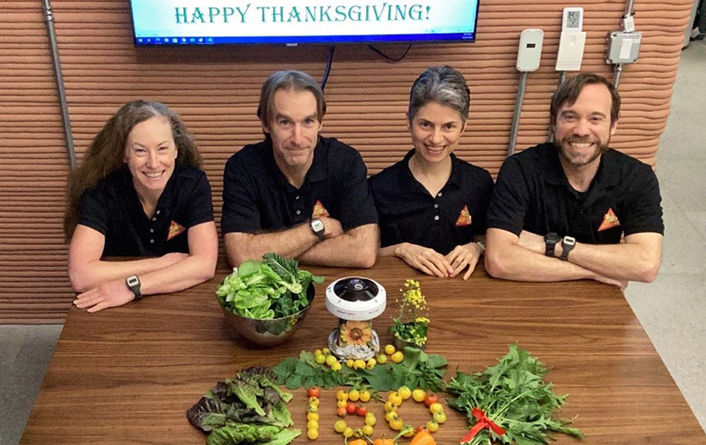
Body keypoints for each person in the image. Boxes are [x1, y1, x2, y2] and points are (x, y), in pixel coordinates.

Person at [485, 73, 663, 287]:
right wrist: (591, 273)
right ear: (554, 122)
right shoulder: (520, 169)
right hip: (525, 292)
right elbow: (500, 260)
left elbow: (646, 265)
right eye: (570, 117)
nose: (581, 130)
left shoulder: (638, 178)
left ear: (613, 125)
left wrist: (554, 245)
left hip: (598, 302)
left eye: (595, 119)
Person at [63, 100, 218, 312]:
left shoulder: (193, 184)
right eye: (140, 151)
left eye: (162, 148)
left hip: (178, 298)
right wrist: (162, 263)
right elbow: (80, 275)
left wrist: (132, 286)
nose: (153, 163)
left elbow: (205, 265)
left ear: (176, 150)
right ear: (124, 155)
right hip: (113, 304)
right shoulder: (101, 191)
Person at [221, 70, 379, 268]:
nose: (297, 138)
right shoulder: (242, 167)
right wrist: (319, 228)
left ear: (320, 123)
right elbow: (242, 256)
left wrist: (271, 251)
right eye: (285, 122)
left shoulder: (346, 161)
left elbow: (363, 252)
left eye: (308, 122)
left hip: (334, 289)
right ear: (265, 123)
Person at [369, 66, 493, 280]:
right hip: (397, 295)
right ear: (408, 121)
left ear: (463, 127)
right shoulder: (378, 187)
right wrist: (401, 249)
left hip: (464, 295)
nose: (436, 139)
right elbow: (364, 253)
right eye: (425, 124)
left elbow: (491, 237)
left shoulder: (479, 182)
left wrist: (477, 247)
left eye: (448, 127)